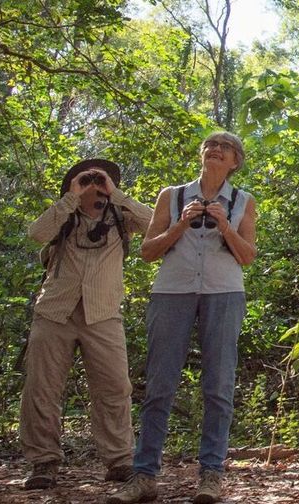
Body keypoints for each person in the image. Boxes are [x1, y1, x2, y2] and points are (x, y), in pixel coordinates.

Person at [105, 131, 259, 504]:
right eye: (210, 146)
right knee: (159, 386)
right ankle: (144, 477)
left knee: (218, 388)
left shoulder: (243, 201)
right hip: (172, 292)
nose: (216, 151)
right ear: (202, 155)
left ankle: (210, 475)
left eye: (224, 149)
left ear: (235, 161)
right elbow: (147, 252)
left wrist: (224, 225)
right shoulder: (172, 196)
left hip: (224, 294)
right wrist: (180, 225)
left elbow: (248, 256)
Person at [20, 159, 153, 490]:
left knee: (114, 387)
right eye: (85, 179)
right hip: (54, 313)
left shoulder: (121, 218)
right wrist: (70, 198)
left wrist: (116, 194)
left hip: (103, 314)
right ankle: (43, 461)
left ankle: (120, 460)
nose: (93, 184)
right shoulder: (63, 217)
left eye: (99, 179)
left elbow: (158, 224)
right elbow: (36, 234)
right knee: (42, 387)